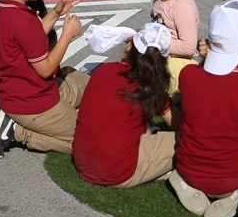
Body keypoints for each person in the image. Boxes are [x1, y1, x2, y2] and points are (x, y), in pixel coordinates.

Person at [170, 0, 238, 217]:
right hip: (235, 178)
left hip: (188, 169)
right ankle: (237, 196)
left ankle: (185, 183)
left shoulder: (189, 75)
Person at [0, 0, 88, 158]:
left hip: (26, 94)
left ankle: (12, 117)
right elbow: (46, 69)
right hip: (34, 103)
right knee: (90, 140)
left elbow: (30, 38)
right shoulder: (23, 20)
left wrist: (58, 11)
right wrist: (67, 35)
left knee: (86, 86)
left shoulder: (2, 9)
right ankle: (18, 132)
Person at [73, 23, 176, 187]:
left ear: (130, 47)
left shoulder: (103, 70)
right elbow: (180, 125)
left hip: (82, 162)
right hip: (119, 173)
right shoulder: (153, 88)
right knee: (185, 140)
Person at [142, 0, 203, 92]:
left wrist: (153, 41)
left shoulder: (182, 6)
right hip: (162, 56)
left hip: (177, 63)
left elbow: (188, 47)